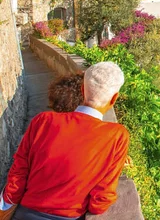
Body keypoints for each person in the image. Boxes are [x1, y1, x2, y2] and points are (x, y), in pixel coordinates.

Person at [0, 62, 130, 220]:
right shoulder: (117, 135)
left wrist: (6, 205)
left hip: (26, 212)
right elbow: (101, 200)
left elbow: (19, 171)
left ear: (82, 89)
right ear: (114, 98)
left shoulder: (43, 120)